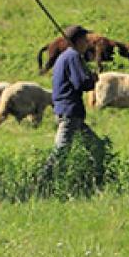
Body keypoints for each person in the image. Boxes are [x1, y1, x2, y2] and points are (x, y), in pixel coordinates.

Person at [45, 25, 100, 165]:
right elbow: (80, 83)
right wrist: (92, 79)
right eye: (85, 40)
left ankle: (92, 178)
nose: (87, 43)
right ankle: (40, 182)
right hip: (70, 113)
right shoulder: (73, 56)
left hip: (68, 112)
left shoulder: (64, 57)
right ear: (78, 40)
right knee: (60, 154)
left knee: (97, 148)